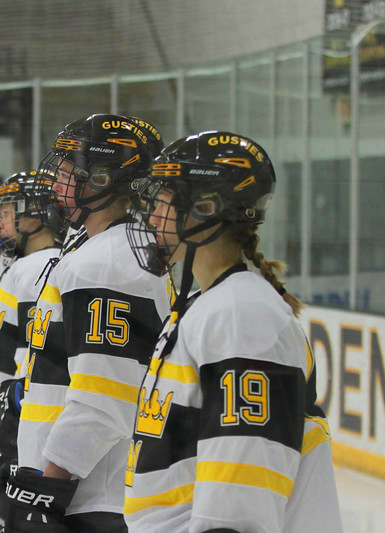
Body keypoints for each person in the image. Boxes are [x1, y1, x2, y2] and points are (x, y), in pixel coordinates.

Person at [123, 131, 342, 533]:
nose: (152, 216)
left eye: (163, 201)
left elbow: (240, 506)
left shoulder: (241, 316)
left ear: (206, 207)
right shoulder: (206, 305)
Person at [6, 114, 170, 533]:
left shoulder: (107, 264)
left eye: (66, 172)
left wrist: (51, 484)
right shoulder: (100, 249)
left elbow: (104, 396)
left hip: (93, 496)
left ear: (102, 180)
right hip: (87, 489)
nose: (57, 185)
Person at [0, 171, 63, 531]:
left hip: (10, 434)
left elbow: (9, 362)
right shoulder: (49, 265)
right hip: (24, 431)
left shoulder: (27, 271)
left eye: (7, 211)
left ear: (35, 215)